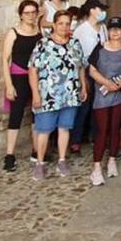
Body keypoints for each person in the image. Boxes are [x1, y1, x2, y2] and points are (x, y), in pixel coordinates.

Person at [29, 10, 89, 180]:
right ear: (54, 25)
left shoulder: (75, 43)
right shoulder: (43, 44)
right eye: (61, 23)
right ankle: (40, 163)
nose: (64, 27)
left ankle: (62, 161)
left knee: (65, 128)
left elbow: (81, 67)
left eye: (67, 23)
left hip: (70, 93)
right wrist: (35, 94)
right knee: (44, 129)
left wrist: (83, 86)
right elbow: (33, 69)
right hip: (48, 94)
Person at [87, 16, 121, 186]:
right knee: (102, 130)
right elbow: (92, 70)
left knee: (115, 128)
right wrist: (106, 82)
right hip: (102, 95)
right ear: (108, 31)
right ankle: (96, 167)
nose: (116, 32)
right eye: (112, 29)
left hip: (119, 94)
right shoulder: (100, 49)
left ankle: (111, 160)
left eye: (119, 29)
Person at [1, 0, 41, 172]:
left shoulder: (39, 32)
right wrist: (9, 85)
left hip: (36, 77)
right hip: (18, 76)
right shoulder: (13, 32)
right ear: (21, 14)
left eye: (34, 12)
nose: (31, 16)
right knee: (16, 115)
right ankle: (9, 155)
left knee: (37, 114)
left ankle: (36, 150)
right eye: (27, 13)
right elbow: (4, 59)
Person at [70, 0, 108, 153]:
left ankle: (95, 137)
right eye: (100, 9)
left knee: (98, 105)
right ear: (92, 10)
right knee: (84, 106)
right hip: (85, 70)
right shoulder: (81, 30)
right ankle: (76, 140)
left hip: (101, 70)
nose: (103, 12)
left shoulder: (104, 28)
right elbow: (77, 54)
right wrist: (82, 76)